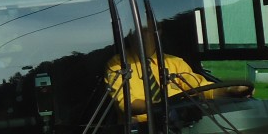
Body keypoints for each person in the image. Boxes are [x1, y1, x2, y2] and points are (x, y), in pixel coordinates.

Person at [106, 31, 250, 116]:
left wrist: (229, 90)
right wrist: (161, 107)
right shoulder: (118, 64)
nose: (144, 36)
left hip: (178, 128)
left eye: (148, 30)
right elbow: (126, 103)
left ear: (158, 31)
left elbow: (200, 88)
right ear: (130, 34)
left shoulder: (175, 62)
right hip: (141, 131)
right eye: (139, 31)